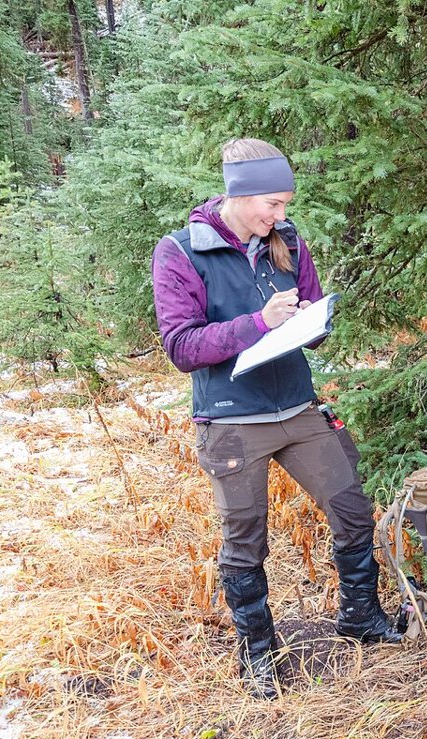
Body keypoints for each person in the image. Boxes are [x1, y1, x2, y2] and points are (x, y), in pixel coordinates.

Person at [151, 138, 400, 700]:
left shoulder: (287, 242)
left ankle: (360, 618)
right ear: (240, 194)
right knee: (246, 541)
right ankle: (257, 656)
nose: (281, 216)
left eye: (286, 204)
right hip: (232, 422)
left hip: (298, 408)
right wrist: (258, 323)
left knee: (352, 510)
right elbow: (182, 346)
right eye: (273, 204)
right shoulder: (181, 252)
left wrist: (313, 319)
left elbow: (309, 315)